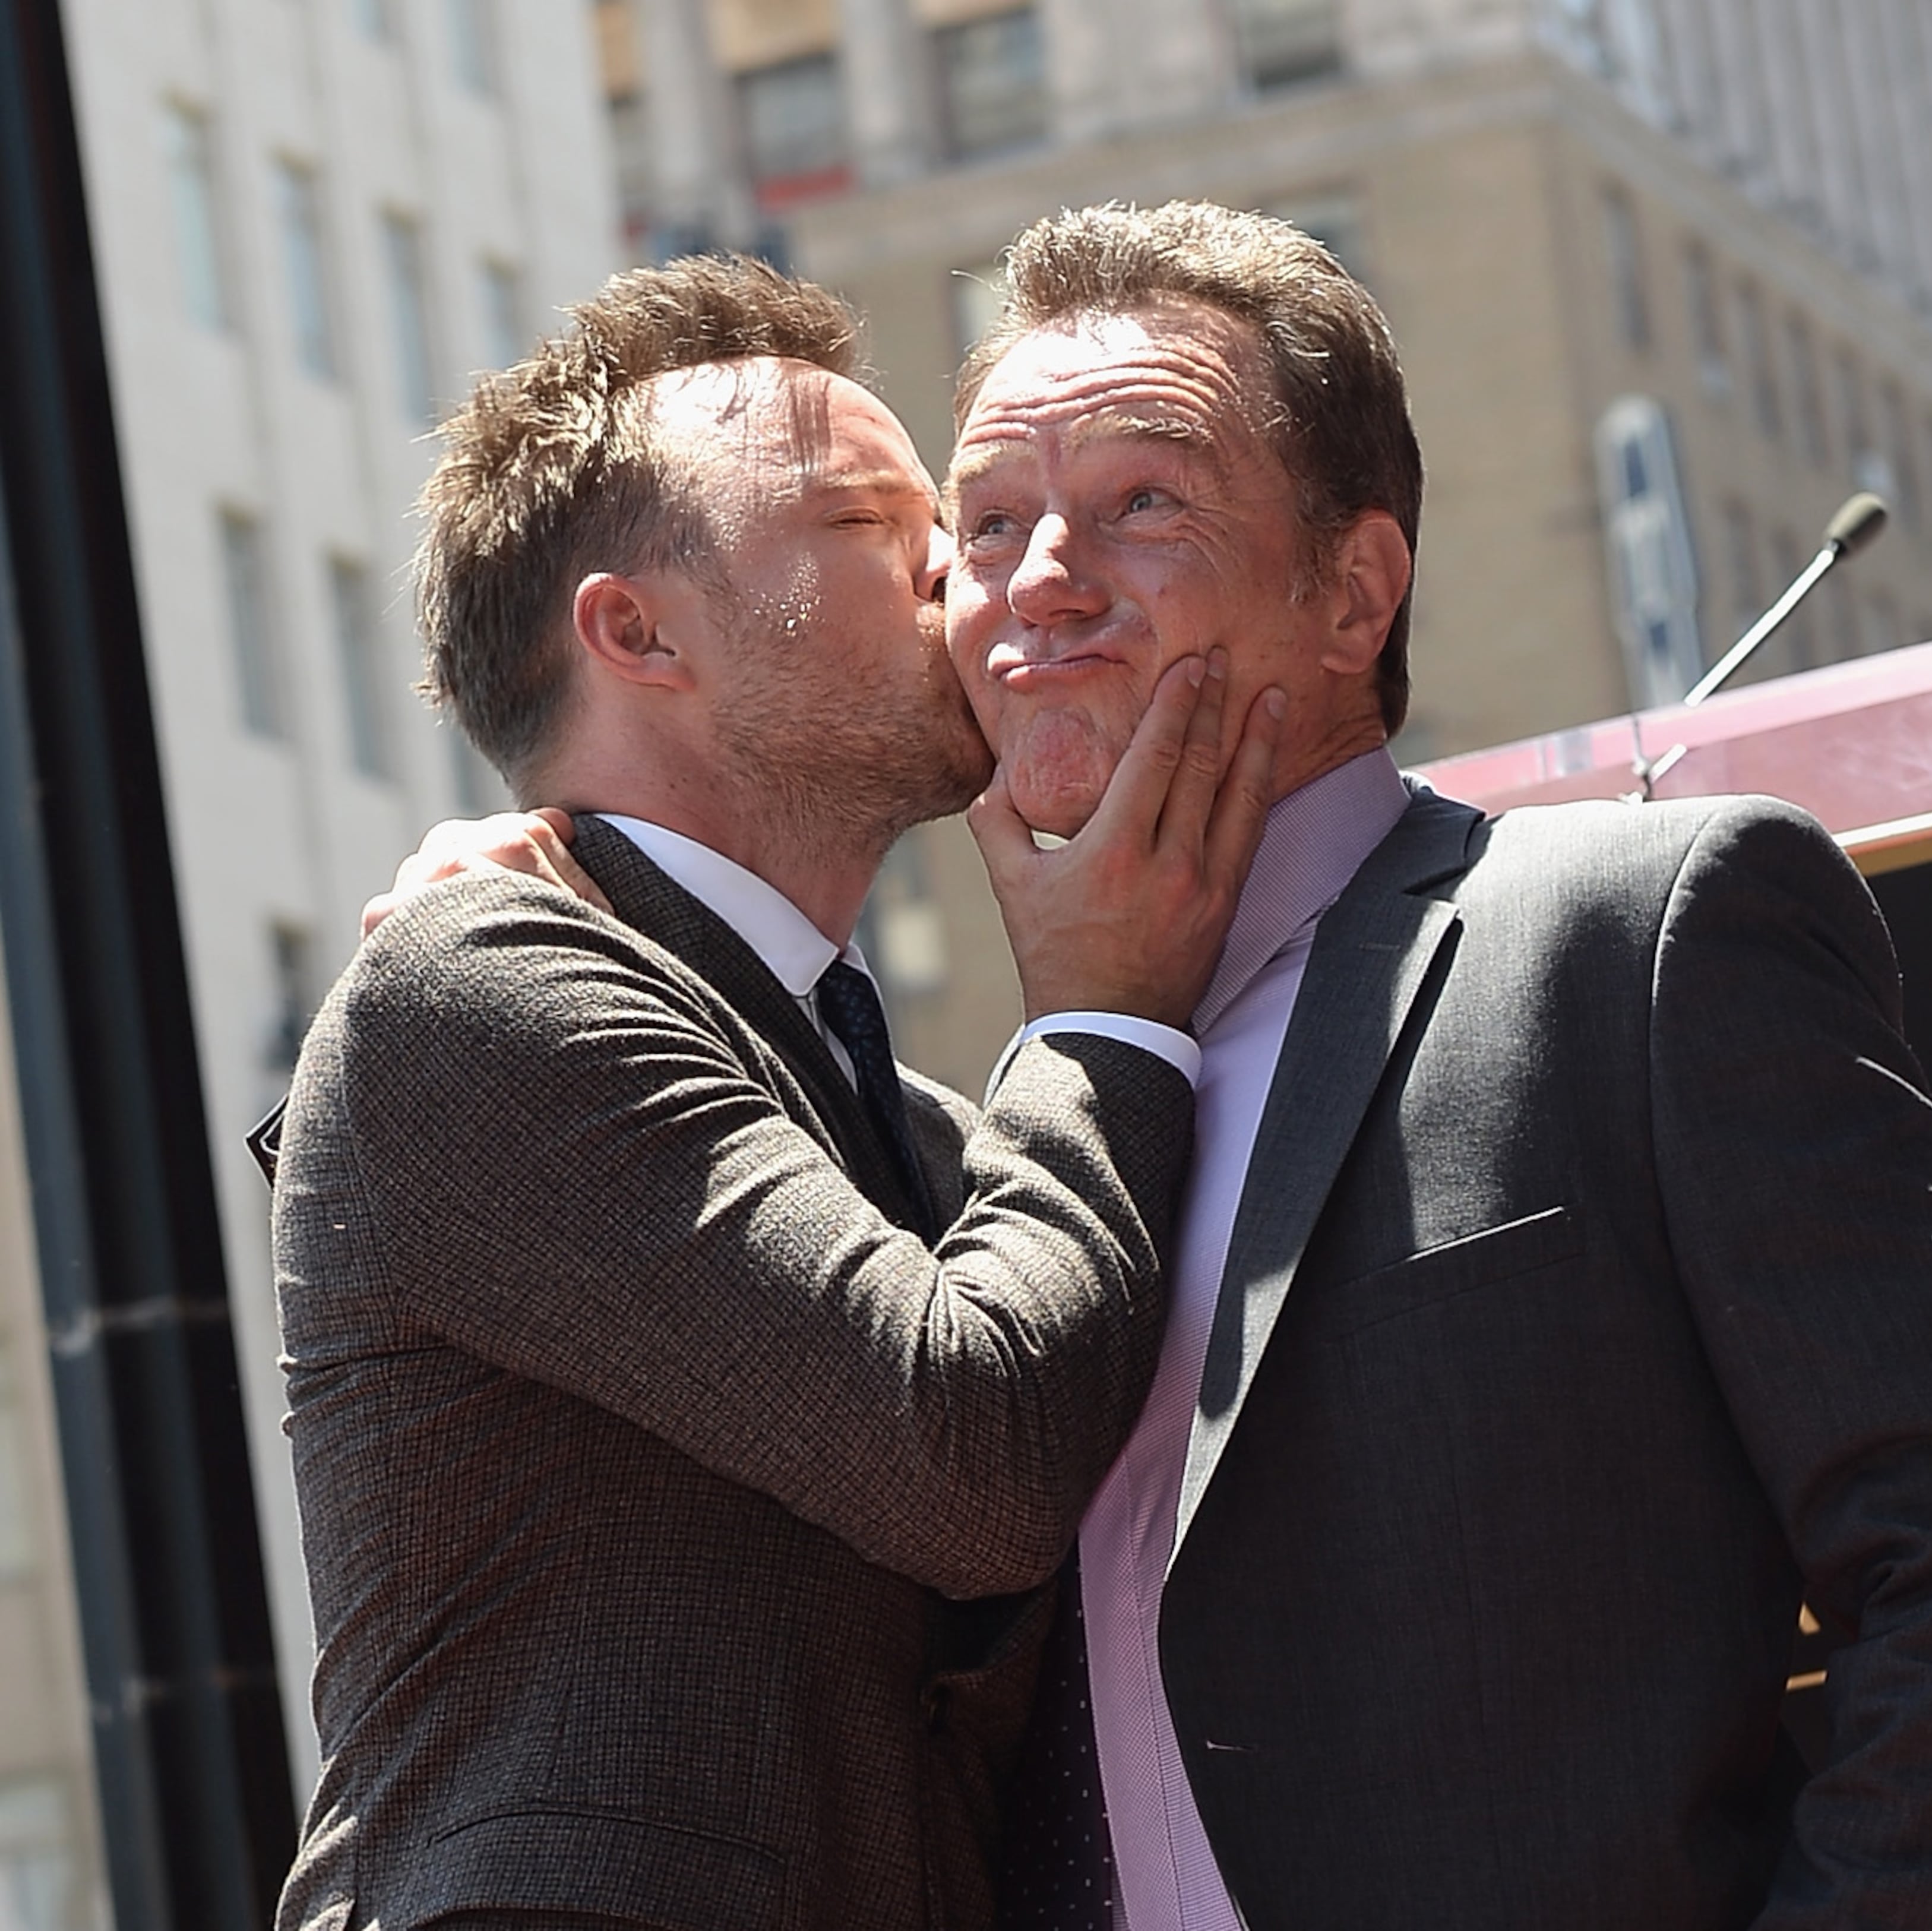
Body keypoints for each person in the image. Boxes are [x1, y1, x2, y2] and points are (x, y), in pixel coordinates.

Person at [936, 201, 1932, 1930]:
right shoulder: (991, 1154)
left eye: (1142, 500)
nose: (1037, 578)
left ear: (1355, 587)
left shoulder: (1640, 939)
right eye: (985, 523)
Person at [259, 252, 1279, 1931]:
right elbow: (967, 1453)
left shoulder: (927, 1132)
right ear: (638, 630)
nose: (976, 569)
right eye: (873, 523)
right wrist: (1103, 1017)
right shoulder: (478, 984)